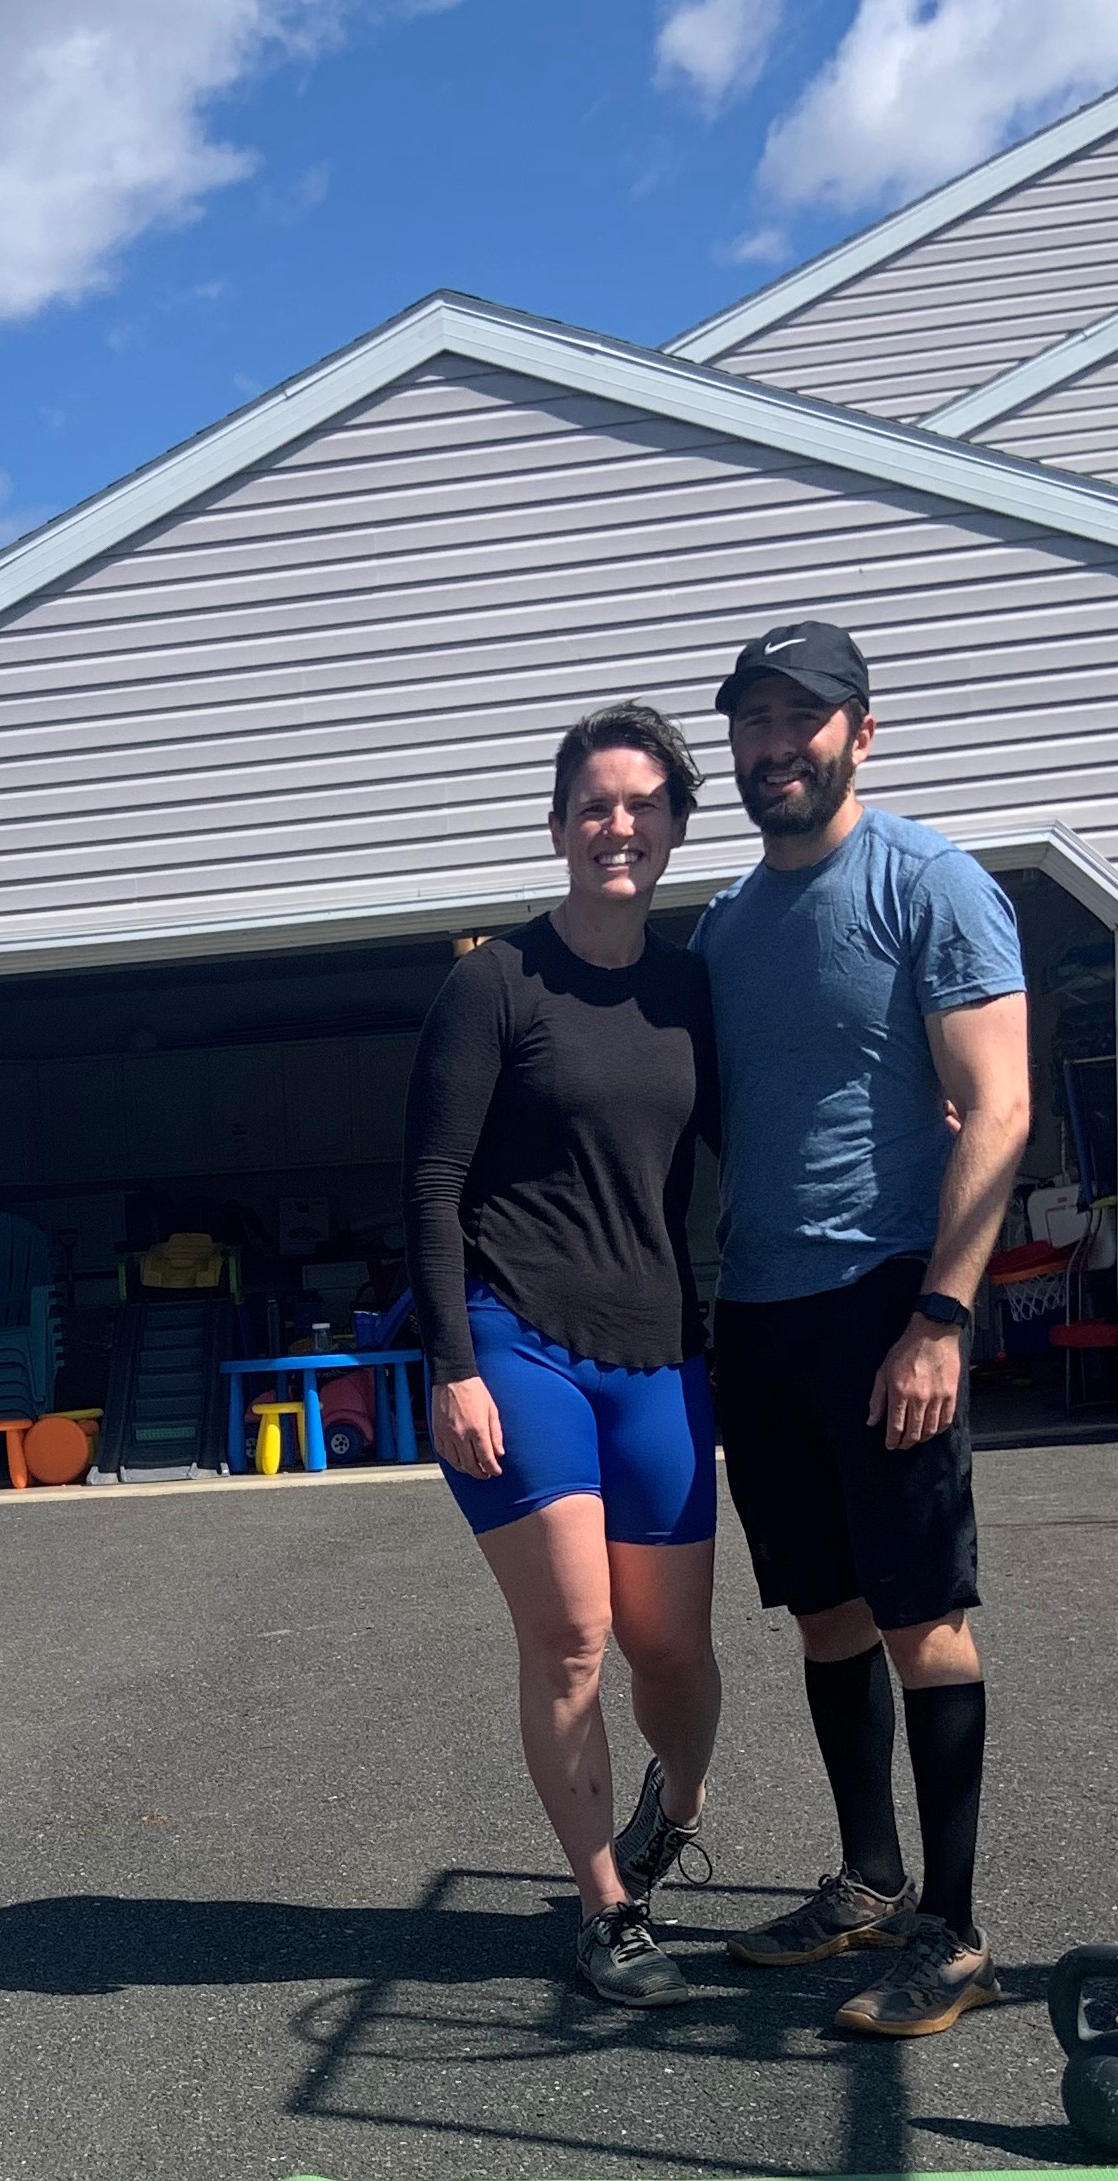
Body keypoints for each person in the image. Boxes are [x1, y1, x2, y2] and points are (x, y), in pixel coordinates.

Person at [691, 620, 1030, 2039]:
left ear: (862, 732)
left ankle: (954, 1934)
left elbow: (999, 1105)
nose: (777, 745)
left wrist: (941, 1316)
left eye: (804, 718)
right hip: (761, 1314)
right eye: (755, 722)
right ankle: (869, 1880)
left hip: (889, 1299)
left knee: (918, 1616)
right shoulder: (724, 925)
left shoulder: (928, 882)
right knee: (825, 1612)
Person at [402, 703, 722, 2008]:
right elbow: (431, 1184)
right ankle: (605, 1909)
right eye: (595, 805)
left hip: (661, 1355)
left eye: (643, 805)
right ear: (558, 827)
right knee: (576, 1634)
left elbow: (756, 1146)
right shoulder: (494, 985)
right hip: (517, 1345)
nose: (618, 825)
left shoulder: (692, 991)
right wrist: (453, 1366)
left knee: (674, 1651)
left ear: (674, 828)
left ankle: (675, 1809)